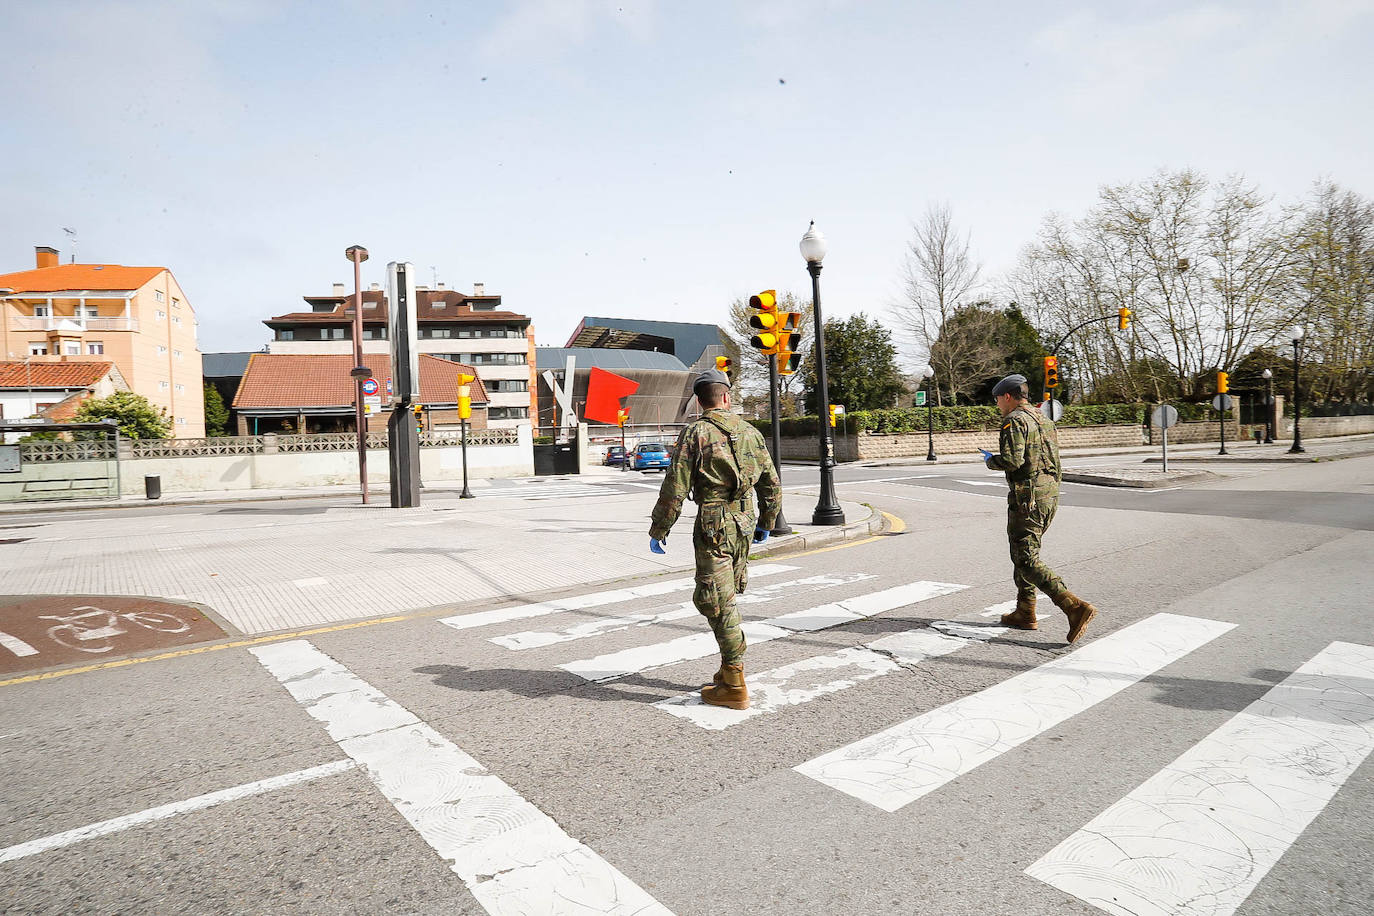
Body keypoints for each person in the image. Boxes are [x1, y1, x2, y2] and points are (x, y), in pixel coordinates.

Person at [648, 368, 782, 709]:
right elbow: (771, 484)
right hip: (744, 520)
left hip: (715, 522)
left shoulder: (696, 433)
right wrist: (766, 520)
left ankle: (734, 681)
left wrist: (660, 528)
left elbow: (675, 487)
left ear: (699, 399)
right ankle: (726, 670)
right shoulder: (751, 432)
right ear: (726, 397)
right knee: (727, 592)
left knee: (716, 600)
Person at [981, 374, 1098, 643]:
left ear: (1008, 396)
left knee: (1026, 559)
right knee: (1024, 552)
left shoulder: (1014, 420)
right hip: (1049, 496)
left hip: (1027, 498)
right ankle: (1025, 610)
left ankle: (1073, 606)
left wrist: (990, 460)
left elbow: (1012, 460)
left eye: (998, 399)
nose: (997, 404)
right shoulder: (1043, 418)